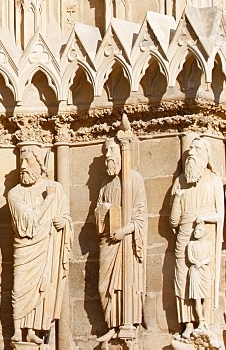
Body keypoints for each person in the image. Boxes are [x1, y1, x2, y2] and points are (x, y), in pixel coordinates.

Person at [7, 144, 71, 346]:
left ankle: (33, 329)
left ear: (40, 164)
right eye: (21, 162)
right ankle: (18, 328)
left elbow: (66, 217)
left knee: (43, 287)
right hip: (25, 248)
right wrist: (49, 199)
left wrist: (64, 223)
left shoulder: (56, 188)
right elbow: (29, 221)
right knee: (19, 287)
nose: (23, 167)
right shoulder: (14, 193)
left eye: (28, 161)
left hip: (47, 247)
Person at [169, 135, 224, 337]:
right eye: (190, 149)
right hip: (183, 236)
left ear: (207, 155)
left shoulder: (214, 180)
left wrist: (204, 218)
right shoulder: (180, 181)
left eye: (197, 149)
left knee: (203, 279)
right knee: (182, 279)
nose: (191, 153)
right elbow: (173, 221)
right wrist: (177, 200)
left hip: (204, 237)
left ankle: (205, 322)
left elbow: (220, 215)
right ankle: (187, 322)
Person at [93, 135, 146, 341]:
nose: (107, 156)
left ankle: (126, 324)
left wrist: (125, 230)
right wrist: (103, 211)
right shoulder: (106, 185)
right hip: (108, 241)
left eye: (110, 151)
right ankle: (111, 324)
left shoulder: (134, 179)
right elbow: (97, 211)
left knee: (125, 283)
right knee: (103, 286)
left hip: (126, 242)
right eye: (106, 152)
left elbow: (140, 215)